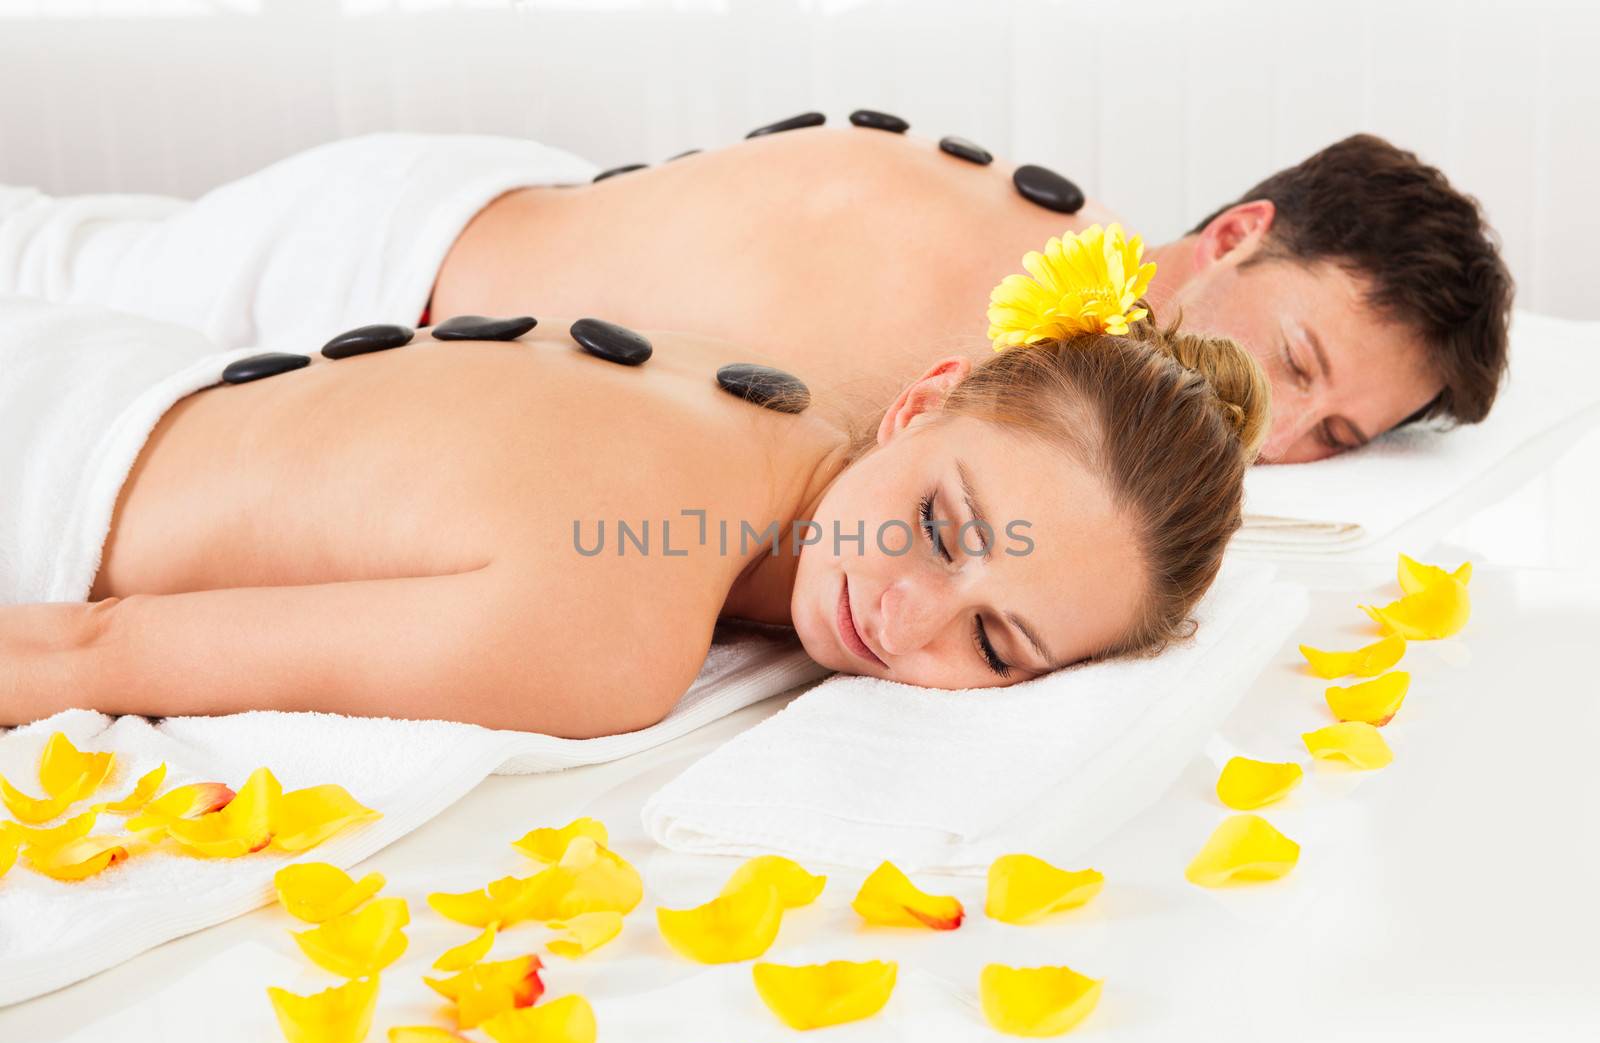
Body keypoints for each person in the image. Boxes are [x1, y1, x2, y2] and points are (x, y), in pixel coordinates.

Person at [0, 227, 1270, 738]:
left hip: (109, 365)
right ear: (923, 397)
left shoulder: (766, 399)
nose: (908, 615)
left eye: (995, 644)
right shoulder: (615, 622)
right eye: (941, 525)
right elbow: (86, 653)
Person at [0, 124, 1510, 465]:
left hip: (562, 224)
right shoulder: (1017, 295)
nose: (1278, 430)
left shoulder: (1112, 336)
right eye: (1301, 362)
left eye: (1335, 436)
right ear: (1239, 231)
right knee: (45, 268)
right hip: (396, 256)